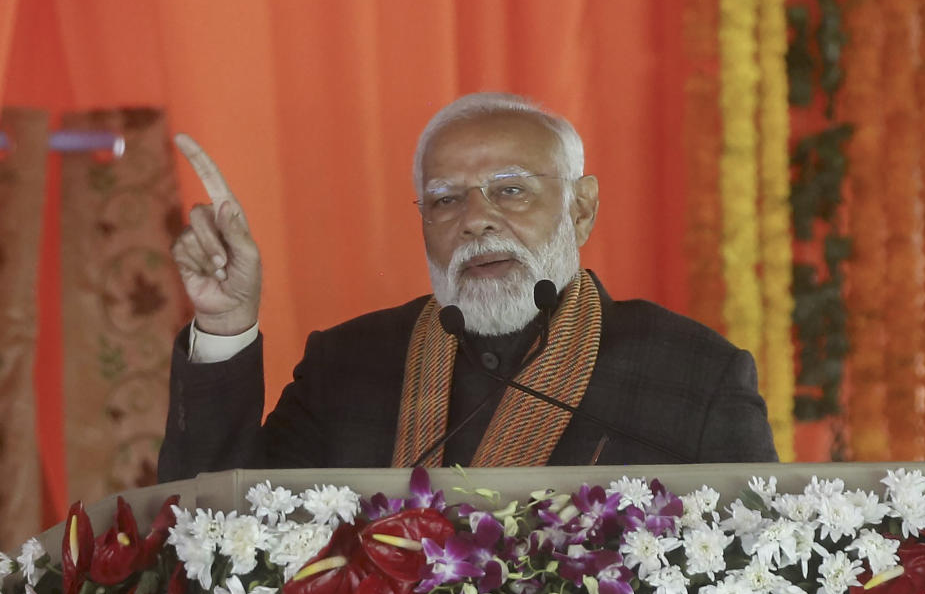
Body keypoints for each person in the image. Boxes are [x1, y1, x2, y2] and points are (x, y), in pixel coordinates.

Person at [157, 92, 777, 483]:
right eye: (445, 199)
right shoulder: (349, 364)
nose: (475, 219)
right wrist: (226, 323)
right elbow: (216, 530)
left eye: (511, 189)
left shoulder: (697, 375)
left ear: (581, 210)